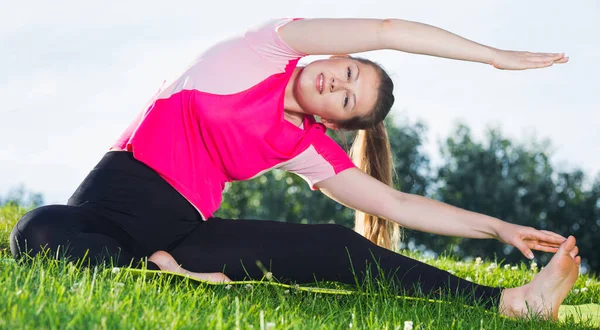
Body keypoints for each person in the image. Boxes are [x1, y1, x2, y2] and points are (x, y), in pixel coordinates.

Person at [10, 18, 578, 320]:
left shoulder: (304, 147)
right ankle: (156, 271)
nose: (339, 82)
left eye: (349, 99)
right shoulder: (267, 47)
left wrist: (497, 228)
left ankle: (511, 302)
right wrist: (493, 56)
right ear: (336, 56)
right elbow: (387, 31)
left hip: (186, 238)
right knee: (35, 231)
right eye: (350, 71)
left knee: (337, 245)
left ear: (336, 122)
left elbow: (399, 206)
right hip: (106, 213)